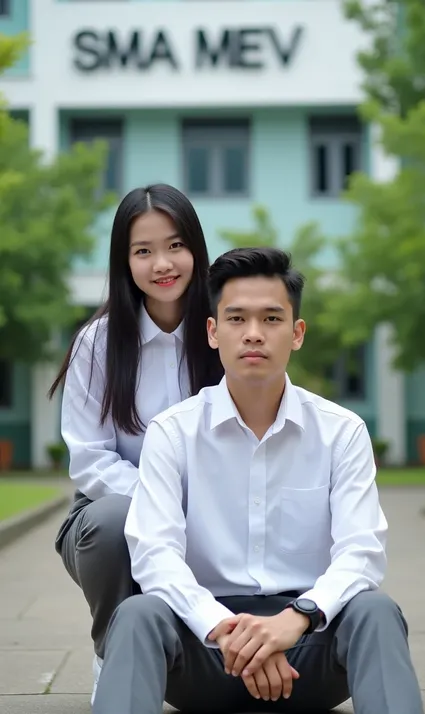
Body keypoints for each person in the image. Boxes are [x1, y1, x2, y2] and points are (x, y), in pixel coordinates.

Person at [93, 246, 424, 714]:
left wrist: (296, 619)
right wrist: (225, 629)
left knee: (377, 611)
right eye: (236, 319)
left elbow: (361, 552)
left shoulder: (341, 431)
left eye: (271, 319)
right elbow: (154, 555)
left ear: (297, 333)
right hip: (205, 652)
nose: (253, 334)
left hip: (309, 650)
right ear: (212, 331)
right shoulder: (172, 432)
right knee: (137, 613)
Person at [48, 183, 223, 704]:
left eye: (175, 245)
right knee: (109, 522)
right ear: (123, 262)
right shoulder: (98, 343)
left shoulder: (227, 333)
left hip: (216, 507)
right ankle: (113, 653)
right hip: (116, 513)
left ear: (196, 248)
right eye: (143, 251)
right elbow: (90, 459)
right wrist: (165, 498)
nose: (162, 263)